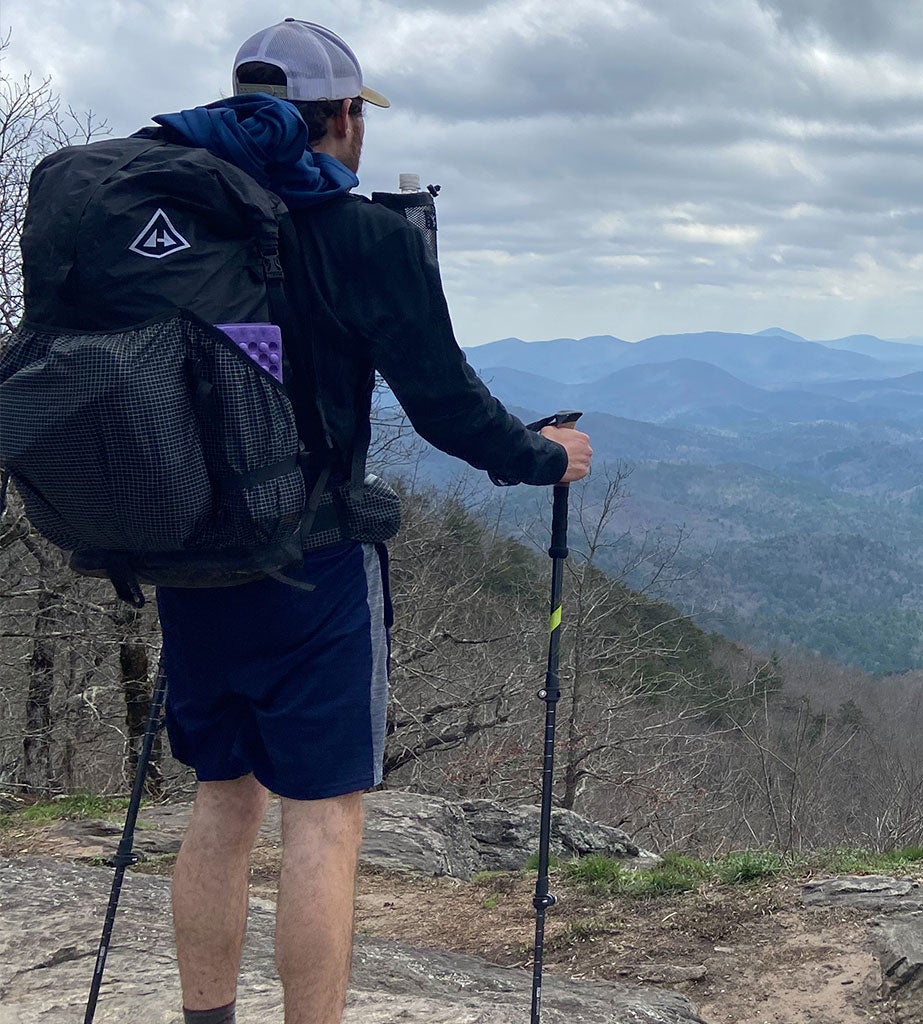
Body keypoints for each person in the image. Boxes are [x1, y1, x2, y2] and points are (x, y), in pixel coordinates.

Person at [140, 19, 594, 1024]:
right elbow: (448, 407)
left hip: (186, 550)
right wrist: (542, 458)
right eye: (359, 117)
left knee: (220, 800)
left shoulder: (180, 218)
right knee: (324, 821)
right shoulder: (362, 236)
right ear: (342, 118)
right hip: (311, 565)